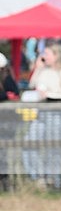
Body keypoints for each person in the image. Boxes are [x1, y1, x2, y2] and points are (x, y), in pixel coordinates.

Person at [22, 42, 61, 189]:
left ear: (56, 56)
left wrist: (48, 96)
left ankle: (53, 180)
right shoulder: (42, 70)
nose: (44, 57)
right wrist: (38, 69)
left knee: (54, 148)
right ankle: (37, 177)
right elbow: (32, 85)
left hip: (56, 114)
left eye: (47, 54)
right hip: (40, 114)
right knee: (29, 144)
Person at [0, 52, 20, 191]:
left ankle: (6, 184)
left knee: (2, 155)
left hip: (5, 124)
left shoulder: (7, 80)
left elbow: (13, 93)